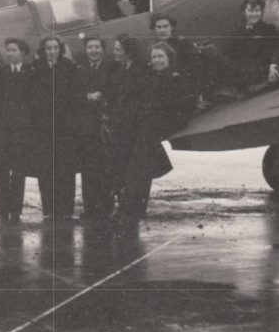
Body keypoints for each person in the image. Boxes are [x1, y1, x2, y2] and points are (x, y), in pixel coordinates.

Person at [117, 42, 194, 222]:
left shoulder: (175, 78)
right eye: (154, 57)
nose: (157, 60)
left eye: (160, 57)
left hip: (160, 125)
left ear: (169, 58)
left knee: (138, 167)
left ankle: (131, 210)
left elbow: (182, 108)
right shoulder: (151, 77)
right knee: (140, 167)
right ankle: (133, 210)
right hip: (148, 126)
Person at [31, 34, 81, 221]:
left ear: (60, 49)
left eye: (55, 48)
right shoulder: (35, 69)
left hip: (65, 127)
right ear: (43, 51)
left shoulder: (69, 68)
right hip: (43, 128)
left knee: (66, 170)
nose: (52, 52)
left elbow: (75, 97)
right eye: (48, 48)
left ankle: (66, 209)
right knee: (46, 170)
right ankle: (49, 210)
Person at [0, 38, 37, 224]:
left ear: (23, 52)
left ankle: (16, 210)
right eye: (8, 50)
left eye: (14, 50)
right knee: (3, 172)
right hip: (3, 130)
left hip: (22, 130)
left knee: (18, 172)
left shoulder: (31, 73)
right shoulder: (1, 73)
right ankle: (4, 210)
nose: (10, 53)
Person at [104, 35, 145, 213]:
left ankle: (132, 207)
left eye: (118, 49)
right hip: (119, 125)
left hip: (133, 126)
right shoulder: (118, 69)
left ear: (128, 52)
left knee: (131, 168)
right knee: (118, 165)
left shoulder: (139, 71)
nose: (114, 52)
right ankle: (122, 204)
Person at [75, 36, 113, 220]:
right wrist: (88, 97)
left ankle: (106, 208)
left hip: (104, 124)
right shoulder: (79, 69)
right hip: (85, 126)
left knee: (106, 167)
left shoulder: (110, 68)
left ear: (102, 49)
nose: (93, 50)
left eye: (97, 47)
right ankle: (90, 208)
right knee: (88, 169)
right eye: (90, 47)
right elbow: (72, 94)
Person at [209, 0, 279, 93]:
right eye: (251, 11)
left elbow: (277, 48)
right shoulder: (239, 30)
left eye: (257, 10)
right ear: (244, 12)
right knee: (211, 54)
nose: (254, 14)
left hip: (257, 69)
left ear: (261, 12)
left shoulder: (268, 29)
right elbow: (226, 48)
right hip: (240, 69)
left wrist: (273, 65)